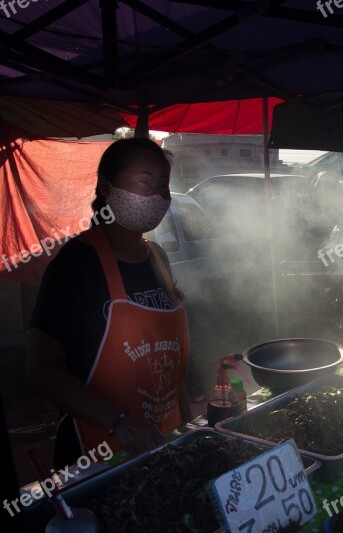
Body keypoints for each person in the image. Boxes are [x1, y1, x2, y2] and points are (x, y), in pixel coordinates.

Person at [26, 138, 192, 468]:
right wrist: (119, 422)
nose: (158, 197)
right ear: (107, 187)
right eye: (144, 182)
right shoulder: (76, 265)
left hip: (162, 446)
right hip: (97, 455)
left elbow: (172, 366)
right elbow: (41, 370)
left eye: (163, 186)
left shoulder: (157, 258)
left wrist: (187, 428)